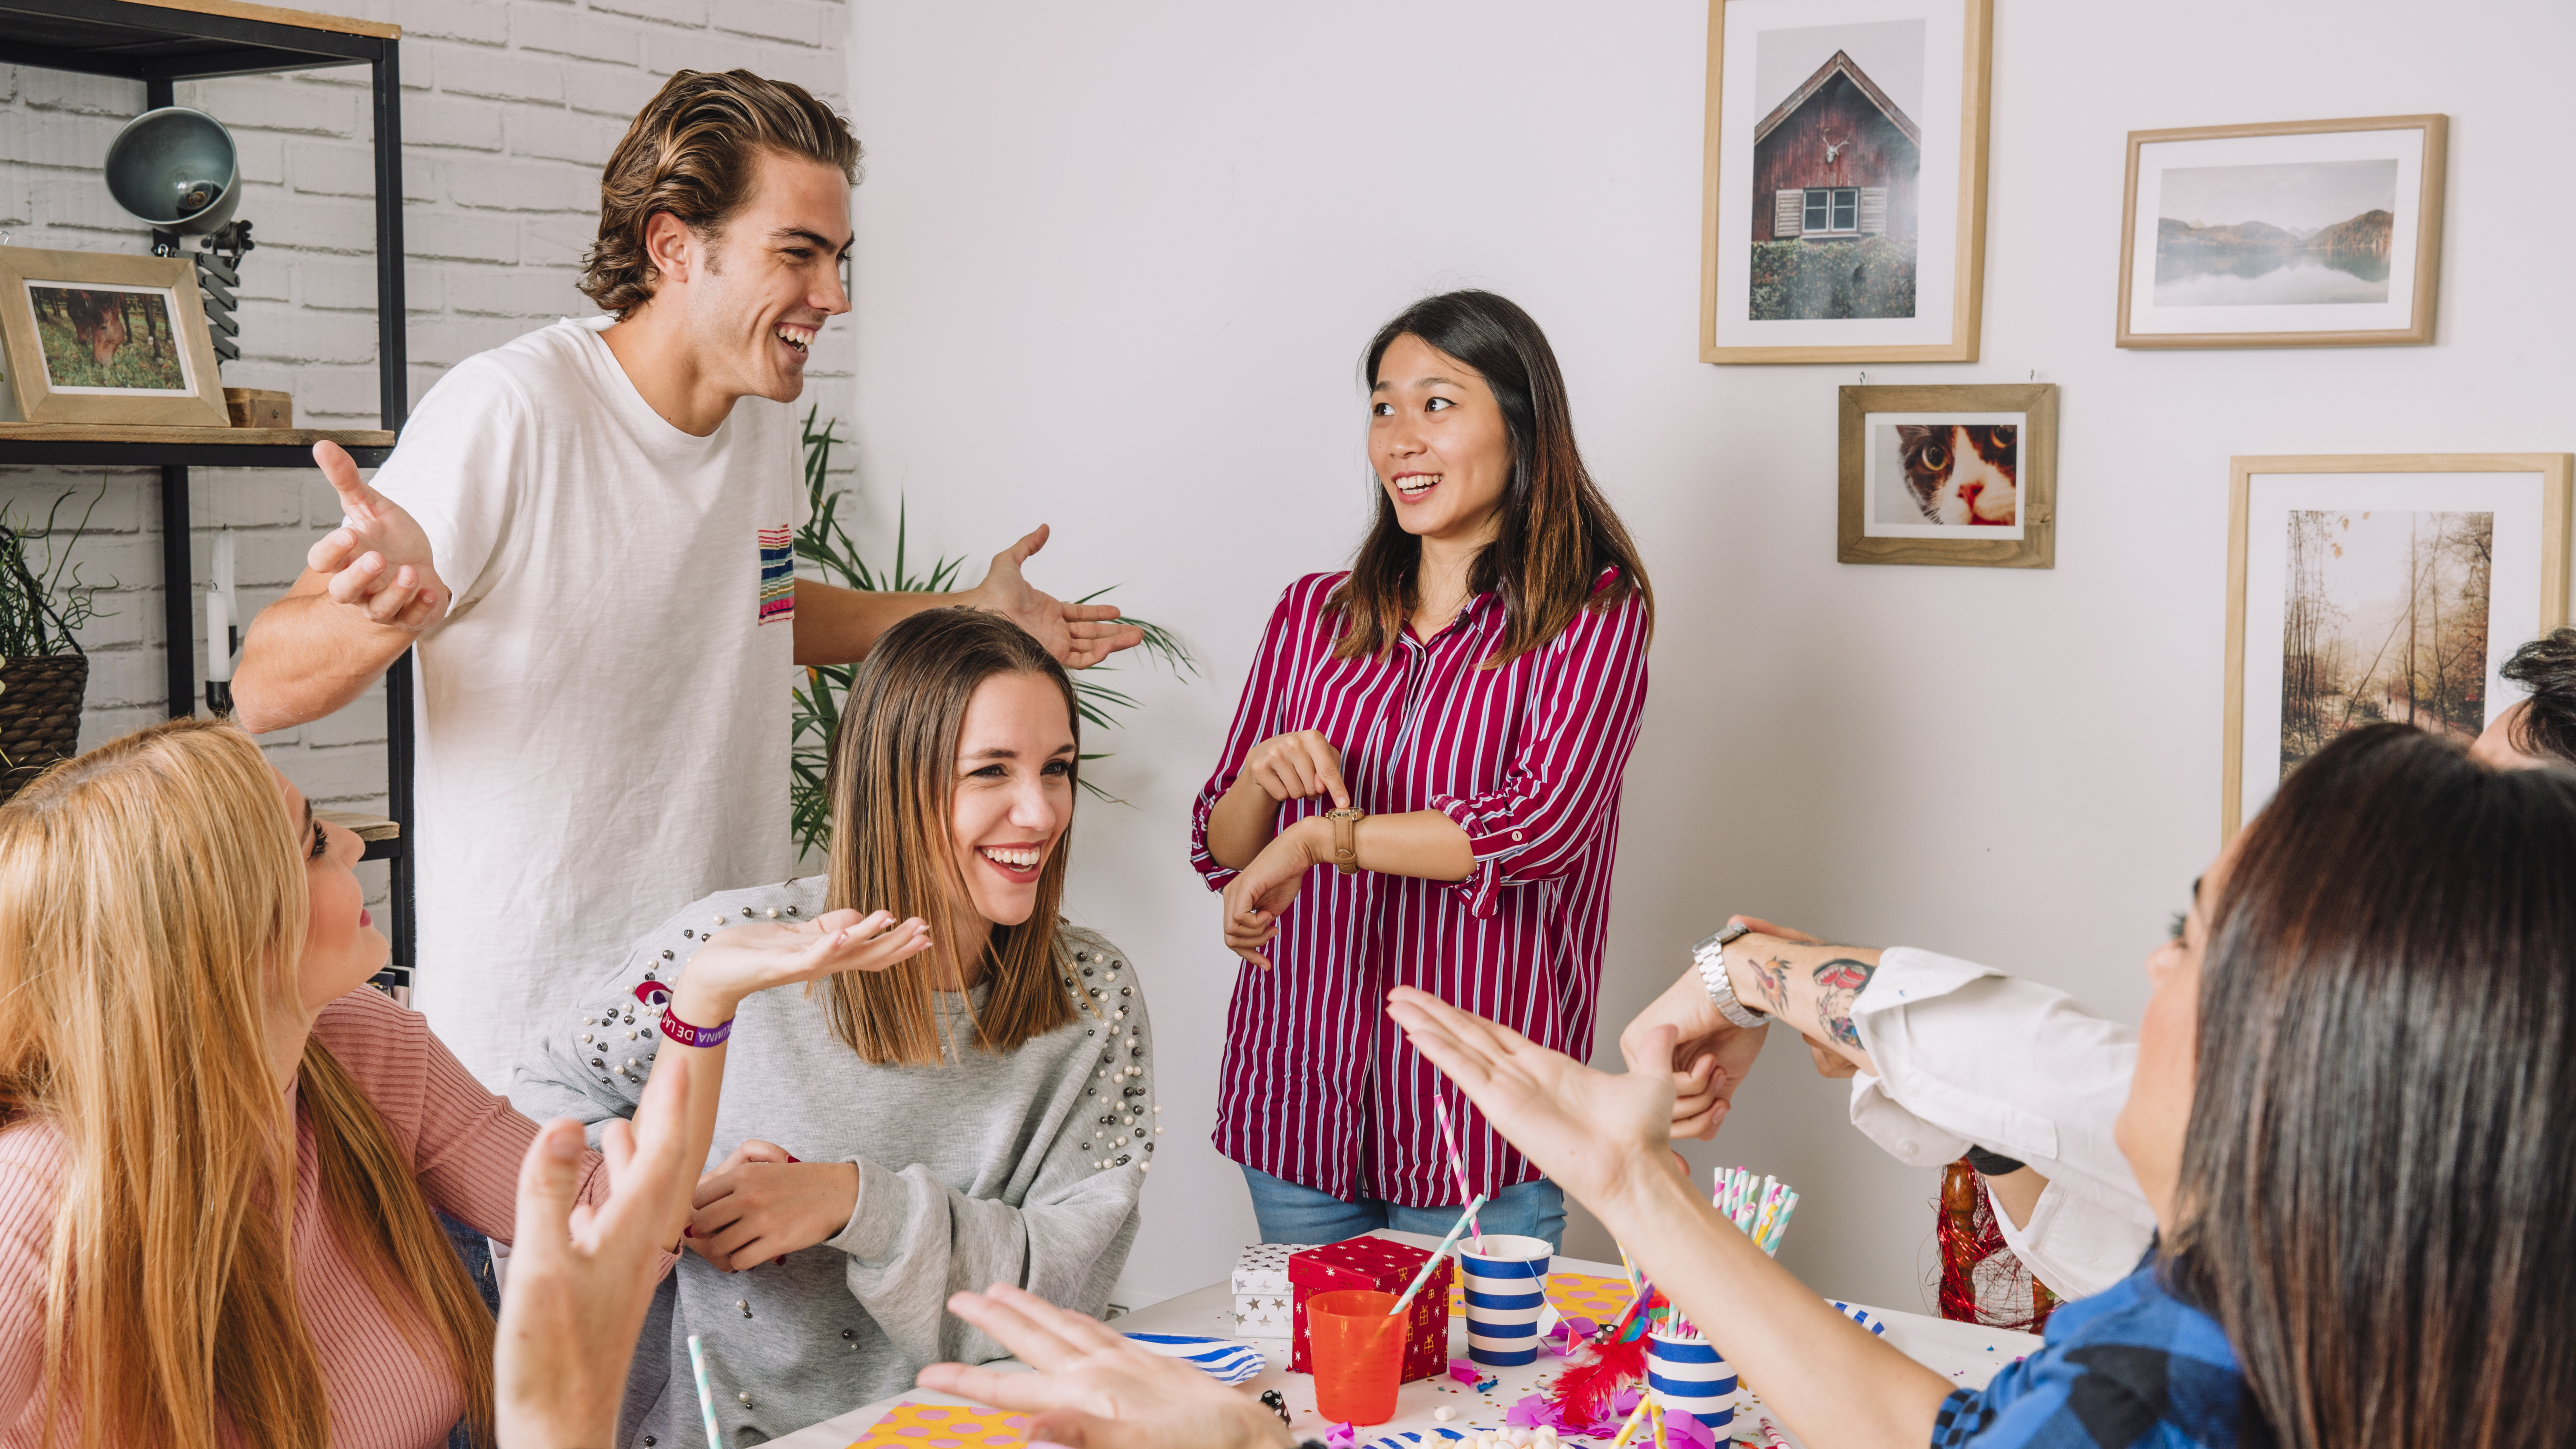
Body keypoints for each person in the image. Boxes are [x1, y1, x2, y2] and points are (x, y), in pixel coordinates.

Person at [229, 69, 1143, 1091]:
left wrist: (963, 612)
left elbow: (753, 612)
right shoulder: (515, 410)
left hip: (723, 1025)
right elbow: (263, 690)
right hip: (534, 1059)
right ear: (674, 247)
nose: (833, 296)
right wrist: (379, 613)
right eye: (798, 254)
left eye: (839, 258)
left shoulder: (760, 416)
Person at [1389, 723, 2574, 1448]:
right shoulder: (2321, 1315)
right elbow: (1960, 1432)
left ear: (2319, 1044)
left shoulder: (2163, 1389)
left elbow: (2047, 1062)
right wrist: (1633, 1182)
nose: (2152, 969)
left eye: (2192, 937)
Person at [0, 717, 919, 1449]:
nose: (355, 843)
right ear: (219, 932)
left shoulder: (358, 1048)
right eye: (315, 840)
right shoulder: (31, 1209)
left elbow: (622, 1221)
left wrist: (705, 993)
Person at [514, 608, 1158, 1443]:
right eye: (991, 772)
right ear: (895, 783)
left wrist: (856, 1203)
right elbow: (537, 1105)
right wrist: (672, 1193)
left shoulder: (1093, 995)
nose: (1039, 814)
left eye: (1057, 769)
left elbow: (1070, 1286)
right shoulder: (732, 948)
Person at [1189, 290, 1653, 1250]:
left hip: (1478, 1123)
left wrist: (1322, 840)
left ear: (1523, 428)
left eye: (1438, 405)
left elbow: (1540, 827)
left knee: (1478, 1396)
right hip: (1298, 1099)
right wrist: (1262, 788)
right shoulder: (1311, 616)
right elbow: (1218, 845)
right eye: (1383, 407)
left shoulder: (1592, 614)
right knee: (1313, 1393)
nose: (1402, 437)